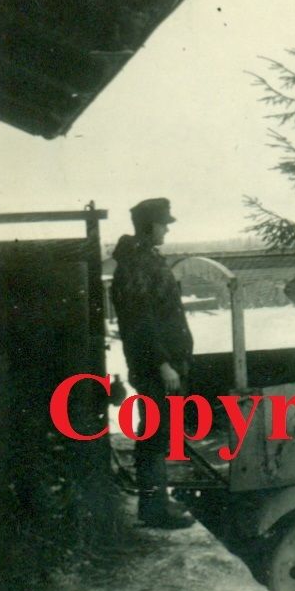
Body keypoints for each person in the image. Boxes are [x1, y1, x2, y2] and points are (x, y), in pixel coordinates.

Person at [111, 197, 195, 530]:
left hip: (164, 362)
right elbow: (140, 321)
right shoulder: (136, 265)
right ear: (148, 226)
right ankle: (153, 507)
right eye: (162, 223)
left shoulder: (144, 260)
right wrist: (163, 364)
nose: (166, 228)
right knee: (154, 432)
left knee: (158, 431)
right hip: (154, 365)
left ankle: (157, 499)